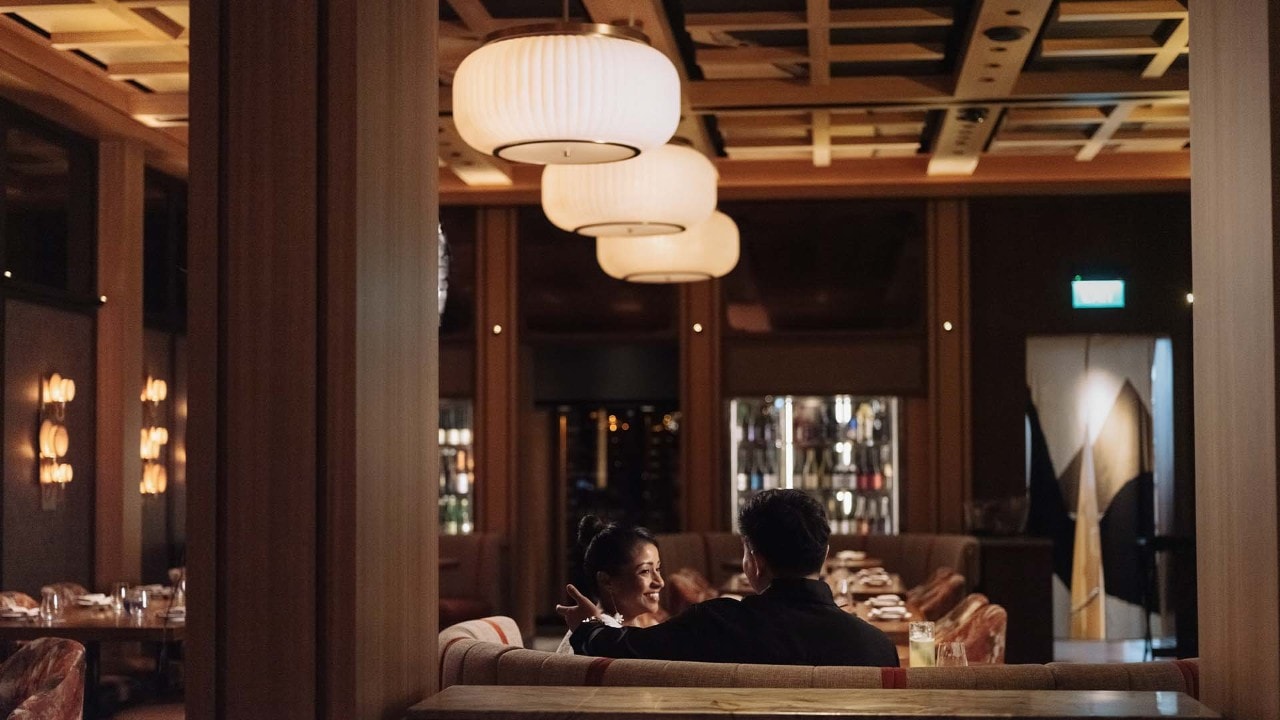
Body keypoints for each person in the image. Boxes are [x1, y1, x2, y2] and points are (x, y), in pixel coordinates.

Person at [557, 489, 899, 666]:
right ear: (824, 556)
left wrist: (587, 626)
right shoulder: (876, 647)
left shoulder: (718, 624)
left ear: (754, 562)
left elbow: (628, 652)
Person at [555, 516, 666, 654]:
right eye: (645, 571)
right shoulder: (599, 640)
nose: (660, 582)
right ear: (606, 581)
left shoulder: (638, 629)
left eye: (658, 569)